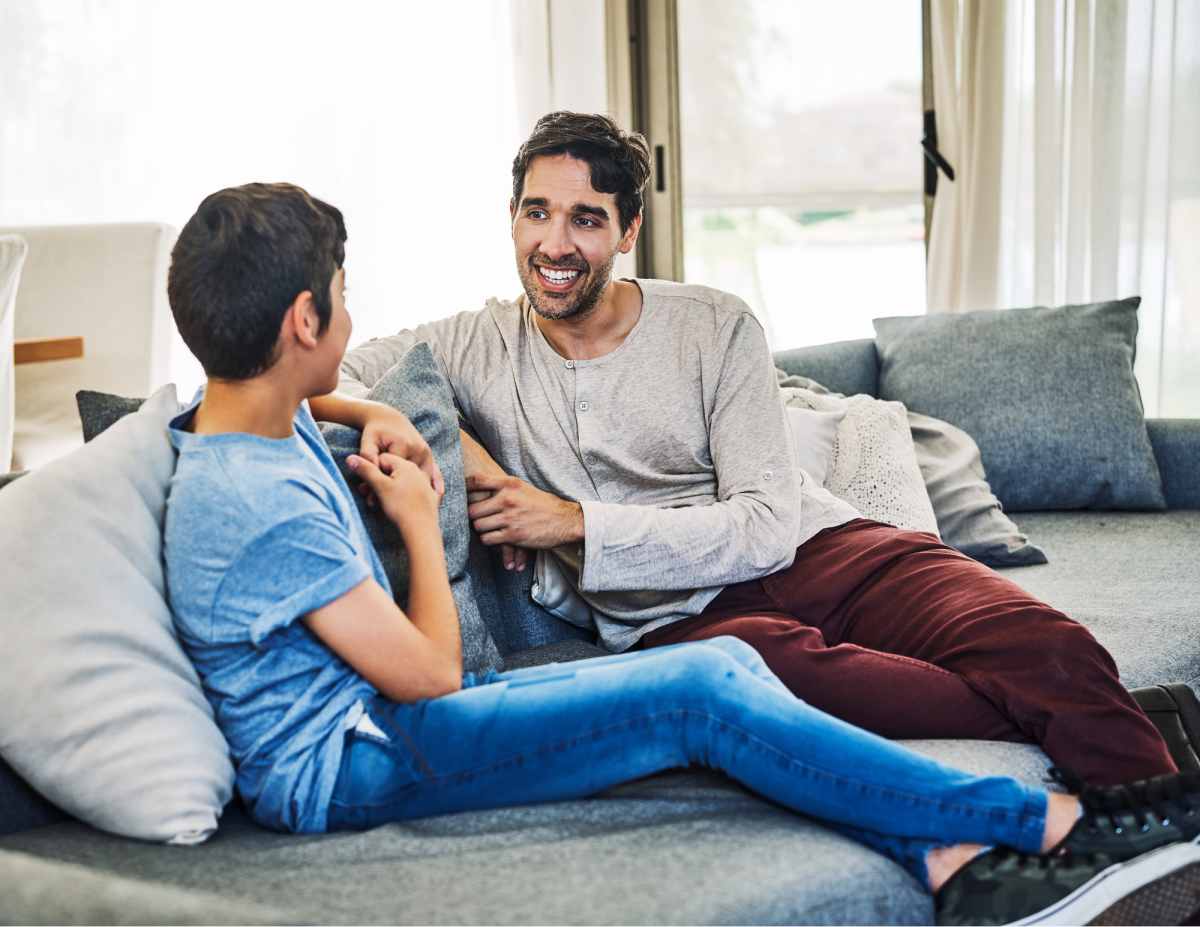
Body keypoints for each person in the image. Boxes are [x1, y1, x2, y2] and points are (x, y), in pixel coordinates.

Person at [161, 181, 1200, 926]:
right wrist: (422, 508)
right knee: (703, 687)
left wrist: (369, 406)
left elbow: (316, 393)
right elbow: (432, 676)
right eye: (342, 295)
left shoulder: (258, 416)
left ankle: (949, 858)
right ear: (304, 318)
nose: (355, 312)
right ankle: (1048, 822)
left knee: (733, 681)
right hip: (358, 759)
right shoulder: (256, 504)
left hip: (385, 727)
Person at [336, 111, 1181, 791]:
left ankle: (1160, 854)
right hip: (673, 623)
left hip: (827, 552)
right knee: (904, 696)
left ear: (628, 229)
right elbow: (328, 368)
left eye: (586, 219)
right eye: (537, 212)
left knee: (1047, 644)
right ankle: (1134, 738)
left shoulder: (714, 324)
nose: (555, 245)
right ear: (513, 218)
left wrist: (572, 522)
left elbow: (766, 526)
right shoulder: (476, 339)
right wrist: (468, 453)